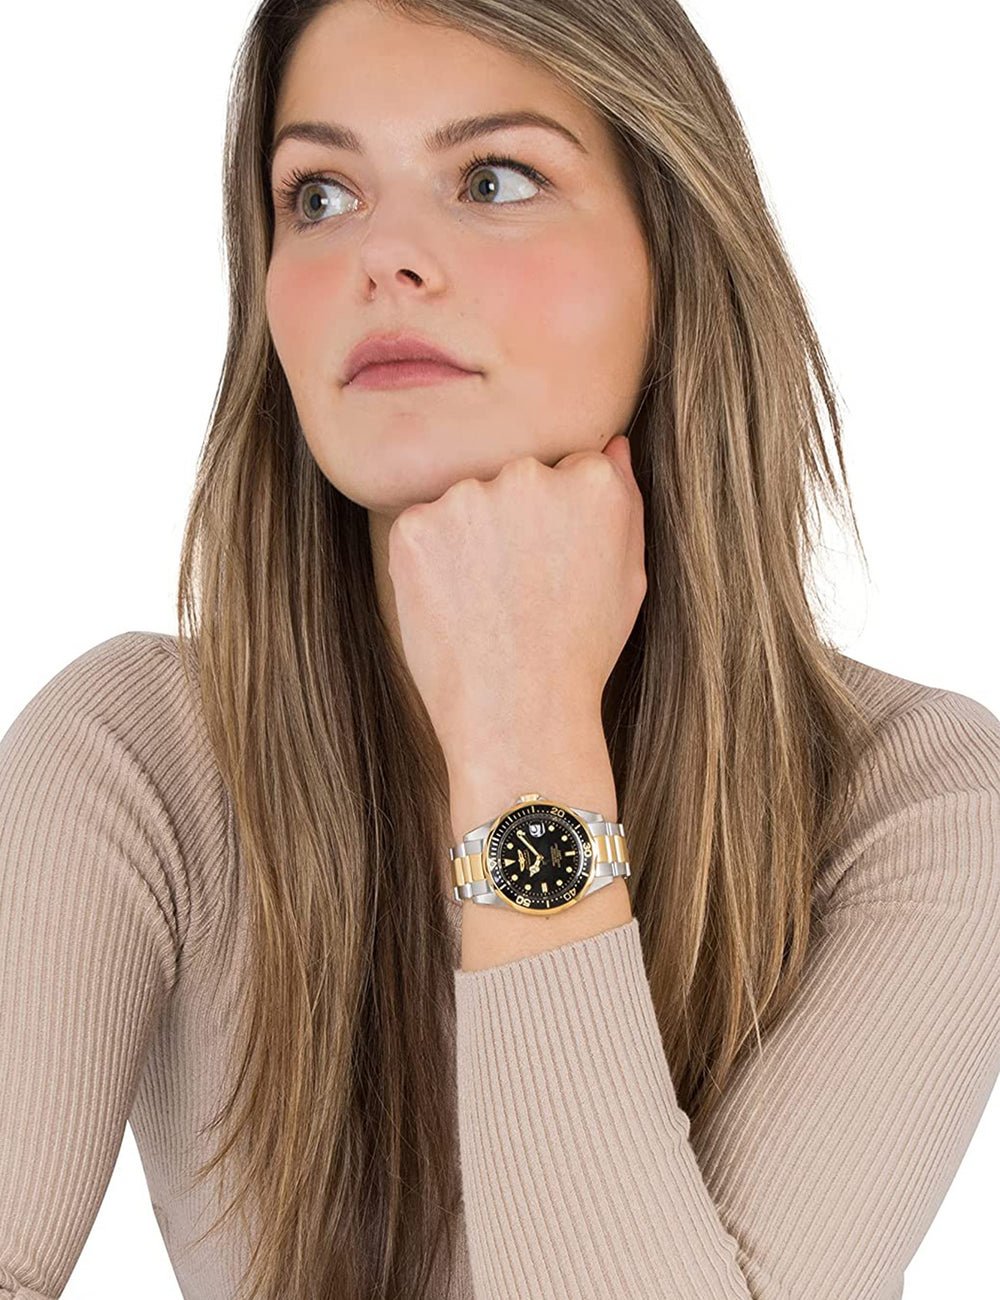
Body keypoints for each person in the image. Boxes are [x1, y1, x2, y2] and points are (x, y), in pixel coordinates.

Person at [1, 1, 998, 1297]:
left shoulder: (921, 803)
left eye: (495, 178)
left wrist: (522, 728)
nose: (384, 256)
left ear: (673, 254)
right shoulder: (134, 754)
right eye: (319, 195)